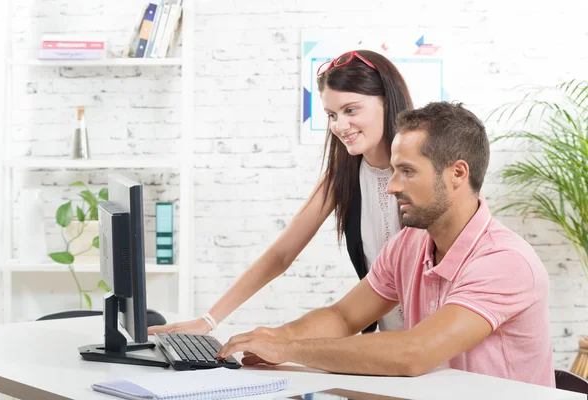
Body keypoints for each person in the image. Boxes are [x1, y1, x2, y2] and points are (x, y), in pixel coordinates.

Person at [217, 102, 555, 387]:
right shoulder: (409, 244)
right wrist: (275, 338)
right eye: (394, 170)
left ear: (457, 174)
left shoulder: (504, 261)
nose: (391, 186)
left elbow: (414, 353)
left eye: (407, 171)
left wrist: (290, 349)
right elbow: (344, 316)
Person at [148, 50, 413, 336]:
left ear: (386, 101)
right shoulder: (344, 175)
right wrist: (209, 321)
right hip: (390, 341)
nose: (339, 125)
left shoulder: (425, 170)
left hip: (439, 342)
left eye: (351, 110)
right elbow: (281, 255)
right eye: (331, 115)